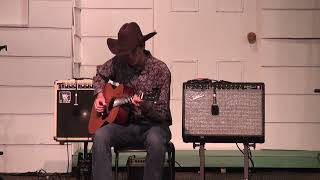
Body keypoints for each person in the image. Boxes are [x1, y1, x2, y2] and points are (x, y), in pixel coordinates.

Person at [91, 22, 172, 180]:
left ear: (142, 46)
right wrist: (100, 94)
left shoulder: (160, 70)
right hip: (125, 125)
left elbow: (161, 114)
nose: (129, 56)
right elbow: (99, 75)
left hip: (153, 125)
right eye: (125, 53)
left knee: (156, 141)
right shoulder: (119, 61)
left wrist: (145, 107)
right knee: (100, 136)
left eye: (132, 52)